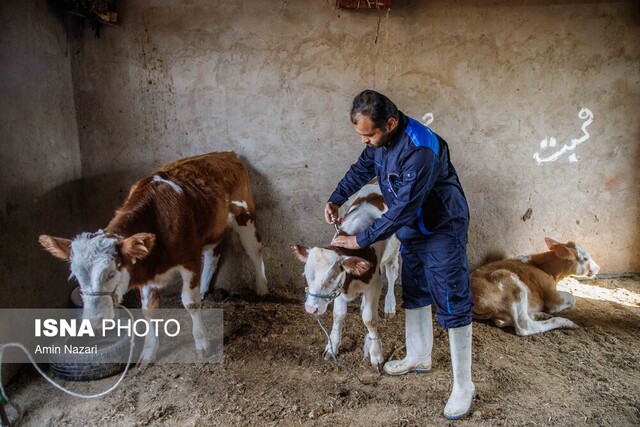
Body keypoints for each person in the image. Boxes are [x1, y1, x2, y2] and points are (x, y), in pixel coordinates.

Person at [326, 90, 475, 420]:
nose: (364, 141)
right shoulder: (379, 143)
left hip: (440, 228)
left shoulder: (420, 148)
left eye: (369, 134)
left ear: (390, 123)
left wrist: (360, 240)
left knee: (451, 299)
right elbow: (361, 168)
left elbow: (406, 207)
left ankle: (464, 385)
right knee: (416, 290)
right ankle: (419, 356)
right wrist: (336, 198)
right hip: (413, 230)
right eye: (361, 134)